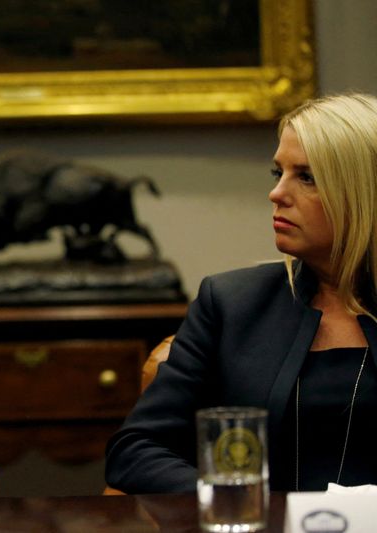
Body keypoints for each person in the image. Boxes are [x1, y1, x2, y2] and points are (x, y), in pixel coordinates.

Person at [105, 93, 377, 493]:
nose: (277, 194)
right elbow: (136, 450)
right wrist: (232, 500)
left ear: (363, 193)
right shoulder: (233, 303)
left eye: (306, 177)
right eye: (278, 173)